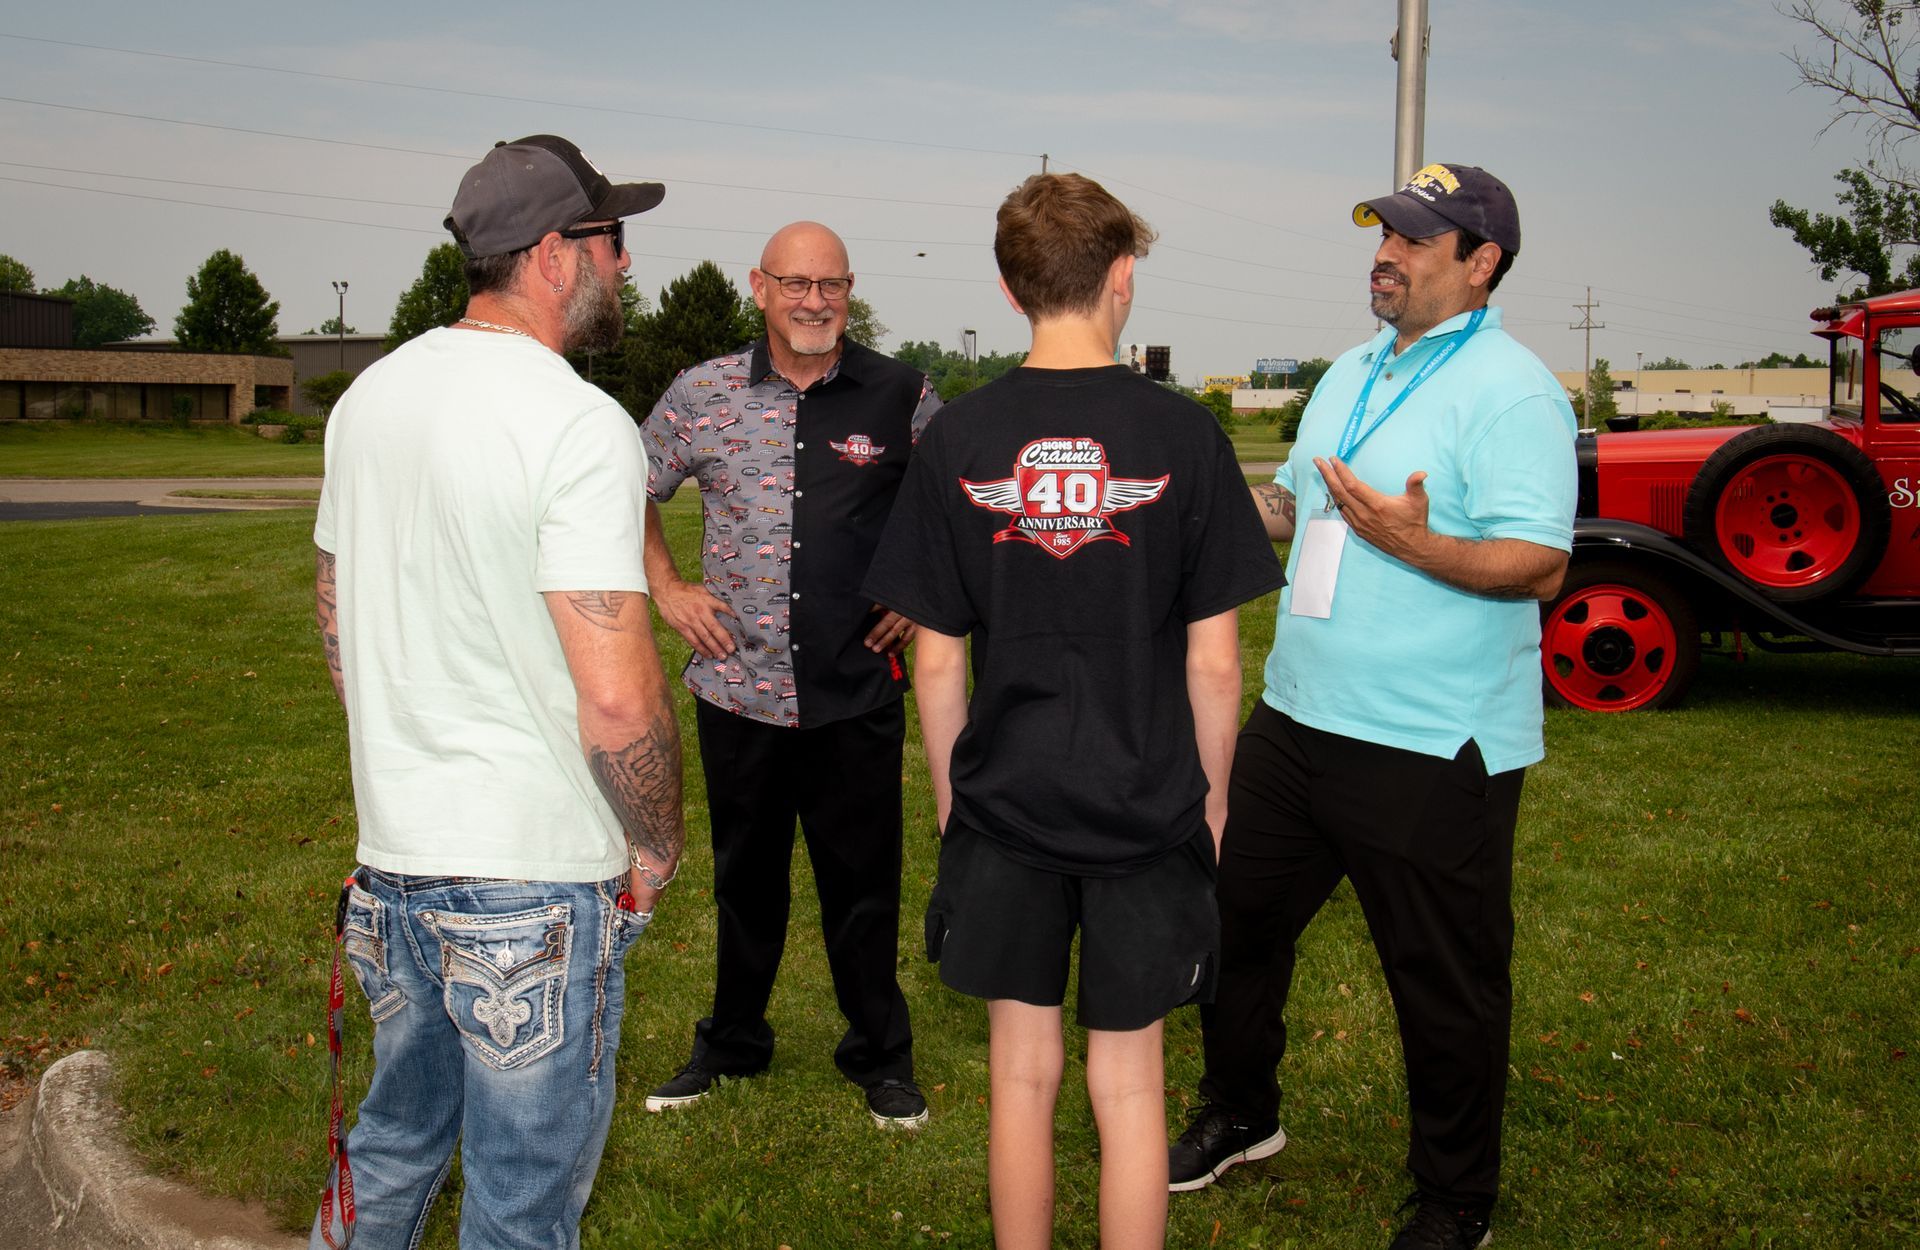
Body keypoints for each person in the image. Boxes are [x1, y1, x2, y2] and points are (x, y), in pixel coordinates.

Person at [864, 173, 1284, 1250]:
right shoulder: (1186, 438)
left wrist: (957, 794)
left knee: (1020, 1071)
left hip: (1006, 796)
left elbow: (940, 661)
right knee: (1131, 1084)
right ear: (1122, 277)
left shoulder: (958, 438)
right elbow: (1216, 664)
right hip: (1149, 799)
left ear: (1010, 291)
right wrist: (1217, 801)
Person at [1165, 164, 1577, 1250]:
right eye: (1383, 233)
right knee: (1232, 923)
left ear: (1481, 262)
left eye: (1413, 240)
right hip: (1299, 718)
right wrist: (1190, 518)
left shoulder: (1515, 388)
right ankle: (1243, 1111)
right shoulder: (1350, 371)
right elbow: (1294, 501)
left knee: (1442, 982)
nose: (1384, 255)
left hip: (1434, 740)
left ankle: (1455, 1202)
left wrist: (1418, 544)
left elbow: (1540, 562)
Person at [310, 134, 683, 1250]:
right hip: (533, 884)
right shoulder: (575, 421)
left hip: (394, 867)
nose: (625, 264)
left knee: (390, 1148)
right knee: (521, 1203)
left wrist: (403, 760)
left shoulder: (369, 398)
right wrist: (656, 844)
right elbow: (617, 696)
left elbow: (335, 616)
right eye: (613, 240)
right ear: (556, 254)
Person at [637, 221, 941, 1129]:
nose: (815, 302)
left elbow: (955, 505)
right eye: (795, 284)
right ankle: (733, 1042)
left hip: (856, 690)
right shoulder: (704, 394)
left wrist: (921, 597)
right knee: (746, 881)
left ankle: (879, 1057)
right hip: (741, 689)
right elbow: (623, 486)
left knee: (863, 885)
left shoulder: (900, 395)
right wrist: (667, 587)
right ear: (759, 287)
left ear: (851, 290)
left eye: (832, 285)